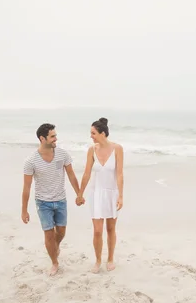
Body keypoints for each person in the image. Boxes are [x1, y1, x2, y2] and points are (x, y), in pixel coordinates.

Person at [21, 123, 81, 276]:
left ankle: (55, 246)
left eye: (55, 135)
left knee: (61, 232)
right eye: (52, 136)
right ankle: (54, 262)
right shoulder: (31, 161)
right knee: (48, 234)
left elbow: (71, 175)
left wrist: (79, 194)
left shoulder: (62, 155)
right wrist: (24, 210)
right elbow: (27, 187)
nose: (56, 138)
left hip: (61, 200)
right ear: (42, 138)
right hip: (43, 202)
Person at [77, 117, 124, 273]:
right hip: (96, 194)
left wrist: (121, 196)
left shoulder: (117, 148)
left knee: (111, 228)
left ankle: (110, 258)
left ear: (103, 133)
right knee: (97, 230)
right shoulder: (92, 150)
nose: (91, 136)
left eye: (93, 133)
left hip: (112, 193)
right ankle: (97, 260)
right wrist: (80, 193)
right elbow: (86, 173)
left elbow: (119, 174)